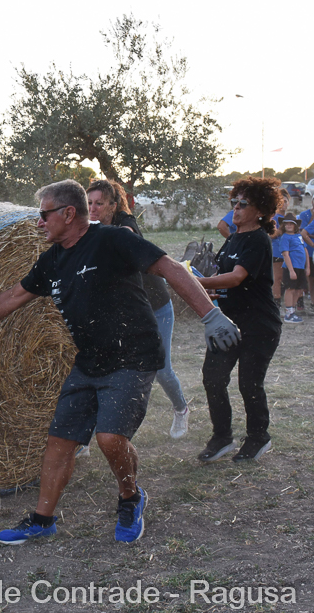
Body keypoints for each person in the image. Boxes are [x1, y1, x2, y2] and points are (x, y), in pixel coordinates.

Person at [0, 180, 238, 545]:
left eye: (44, 214)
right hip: (89, 360)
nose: (39, 222)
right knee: (59, 441)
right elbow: (15, 295)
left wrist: (210, 315)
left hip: (133, 356)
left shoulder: (112, 240)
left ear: (68, 213)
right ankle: (42, 520)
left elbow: (171, 267)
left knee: (110, 438)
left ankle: (130, 498)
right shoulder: (53, 259)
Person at [86, 180, 190, 439]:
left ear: (113, 205)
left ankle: (181, 408)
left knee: (161, 369)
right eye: (89, 203)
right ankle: (89, 432)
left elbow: (127, 235)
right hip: (125, 310)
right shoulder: (89, 227)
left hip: (156, 306)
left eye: (99, 203)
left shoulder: (125, 224)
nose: (93, 208)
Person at [196, 177, 282, 463]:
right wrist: (208, 287)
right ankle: (222, 437)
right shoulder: (233, 237)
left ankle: (258, 437)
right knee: (213, 378)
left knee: (249, 383)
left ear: (261, 211)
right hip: (227, 322)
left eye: (243, 203)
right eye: (234, 201)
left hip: (259, 325)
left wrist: (197, 283)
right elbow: (222, 279)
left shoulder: (258, 239)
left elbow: (236, 278)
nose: (236, 207)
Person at [297, 192, 314, 310]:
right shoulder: (304, 214)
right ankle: (305, 301)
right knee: (307, 277)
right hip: (308, 250)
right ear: (312, 201)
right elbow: (303, 232)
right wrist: (313, 217)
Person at [279, 213, 307, 323]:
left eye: (291, 223)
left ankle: (293, 309)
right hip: (291, 266)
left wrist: (307, 267)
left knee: (299, 289)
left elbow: (304, 250)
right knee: (290, 288)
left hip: (300, 266)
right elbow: (285, 254)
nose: (289, 225)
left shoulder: (298, 236)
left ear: (295, 225)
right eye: (286, 224)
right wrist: (291, 270)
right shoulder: (285, 237)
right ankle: (289, 312)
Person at [270, 191, 291, 308]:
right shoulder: (273, 217)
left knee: (288, 277)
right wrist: (282, 228)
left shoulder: (290, 218)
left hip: (290, 251)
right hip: (277, 250)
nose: (283, 204)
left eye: (285, 201)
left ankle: (292, 303)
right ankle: (276, 303)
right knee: (277, 278)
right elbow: (272, 234)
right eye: (281, 201)